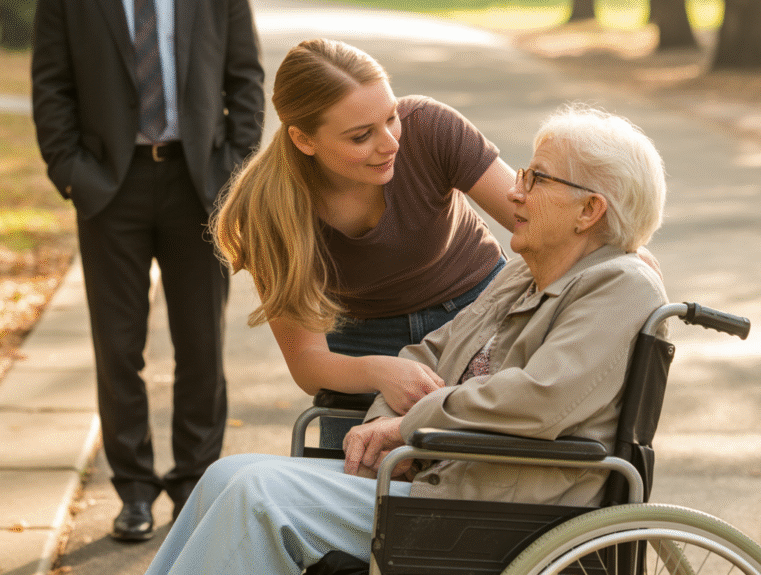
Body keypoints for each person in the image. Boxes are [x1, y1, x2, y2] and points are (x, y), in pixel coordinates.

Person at [143, 104, 667, 575]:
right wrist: (381, 427)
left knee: (255, 495)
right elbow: (428, 352)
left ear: (589, 210)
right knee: (224, 476)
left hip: (498, 506)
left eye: (536, 179)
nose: (514, 190)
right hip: (440, 479)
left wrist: (410, 427)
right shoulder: (523, 275)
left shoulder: (620, 284)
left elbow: (541, 400)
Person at [31, 0, 265, 542]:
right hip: (112, 188)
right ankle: (132, 489)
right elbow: (52, 91)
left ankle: (195, 486)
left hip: (200, 187)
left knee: (201, 346)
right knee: (118, 348)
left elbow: (246, 80)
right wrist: (76, 176)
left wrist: (229, 175)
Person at [213, 38, 516, 446]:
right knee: (358, 477)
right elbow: (306, 361)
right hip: (360, 342)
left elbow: (540, 222)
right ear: (304, 140)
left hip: (477, 308)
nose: (390, 143)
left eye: (391, 117)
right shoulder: (269, 212)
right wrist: (375, 371)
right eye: (361, 137)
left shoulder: (430, 128)